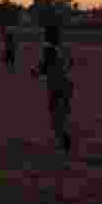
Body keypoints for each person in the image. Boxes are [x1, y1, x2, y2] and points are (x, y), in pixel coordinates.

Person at [31, 25, 75, 153]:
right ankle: (63, 136)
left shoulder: (48, 48)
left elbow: (45, 65)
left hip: (56, 83)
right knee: (63, 112)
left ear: (48, 36)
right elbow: (71, 62)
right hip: (68, 82)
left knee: (54, 113)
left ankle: (63, 137)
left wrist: (36, 72)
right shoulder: (65, 47)